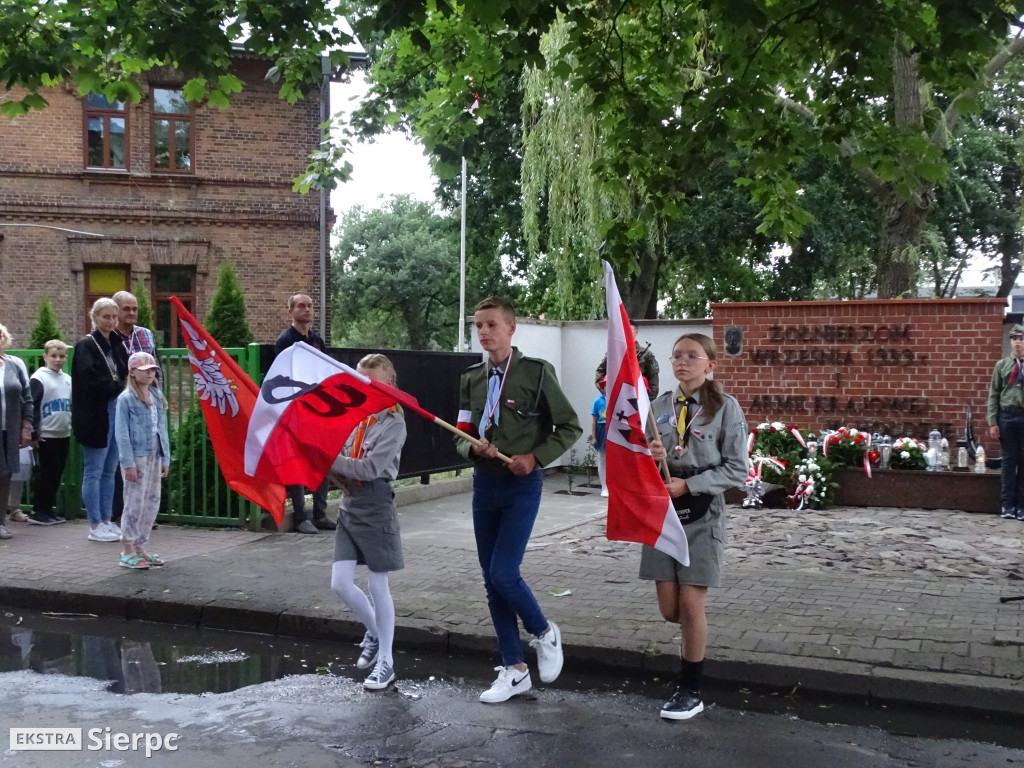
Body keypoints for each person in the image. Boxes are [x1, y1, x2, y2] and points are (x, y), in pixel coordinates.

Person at [456, 296, 582, 703]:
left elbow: (570, 426)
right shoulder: (471, 379)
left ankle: (544, 632)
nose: (483, 332)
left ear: (511, 328)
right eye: (478, 325)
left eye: (491, 324)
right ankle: (514, 669)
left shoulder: (536, 374)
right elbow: (461, 431)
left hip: (521, 486)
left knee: (504, 573)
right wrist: (472, 450)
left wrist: (535, 457)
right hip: (484, 484)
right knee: (491, 582)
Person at [646, 333, 748, 721]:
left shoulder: (725, 408)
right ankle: (693, 636)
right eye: (677, 356)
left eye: (692, 355)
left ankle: (690, 689)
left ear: (710, 365)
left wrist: (688, 484)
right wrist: (651, 456)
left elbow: (737, 468)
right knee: (670, 610)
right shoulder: (657, 407)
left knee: (691, 603)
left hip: (702, 509)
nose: (682, 362)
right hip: (662, 512)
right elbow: (636, 459)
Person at [327, 354, 407, 691]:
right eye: (360, 381)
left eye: (372, 381)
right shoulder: (358, 416)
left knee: (378, 585)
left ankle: (386, 662)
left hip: (375, 503)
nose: (365, 387)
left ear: (388, 384)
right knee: (340, 583)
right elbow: (346, 457)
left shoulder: (393, 422)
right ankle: (374, 632)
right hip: (350, 503)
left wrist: (331, 458)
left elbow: (371, 468)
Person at [274, 293, 333, 535]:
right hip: (295, 409)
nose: (306, 309)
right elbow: (284, 374)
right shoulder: (286, 340)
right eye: (301, 306)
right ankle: (300, 517)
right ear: (290, 311)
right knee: (298, 461)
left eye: (309, 306)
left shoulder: (317, 340)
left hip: (318, 409)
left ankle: (320, 514)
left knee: (322, 459)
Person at [72, 298, 129, 543]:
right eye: (106, 316)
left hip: (115, 410)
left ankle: (107, 520)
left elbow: (126, 370)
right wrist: (117, 386)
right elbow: (90, 379)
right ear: (94, 318)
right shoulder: (86, 345)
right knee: (94, 470)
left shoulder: (116, 344)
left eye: (114, 317)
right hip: (96, 415)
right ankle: (95, 523)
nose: (111, 321)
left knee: (110, 470)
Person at [114, 352, 170, 569]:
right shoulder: (125, 399)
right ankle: (127, 549)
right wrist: (128, 463)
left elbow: (161, 428)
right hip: (137, 458)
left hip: (155, 455)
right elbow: (122, 433)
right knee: (134, 504)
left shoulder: (156, 395)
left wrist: (165, 457)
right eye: (145, 369)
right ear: (132, 371)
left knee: (151, 503)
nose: (150, 373)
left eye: (152, 369)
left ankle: (140, 547)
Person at [111, 290, 159, 527]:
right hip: (123, 400)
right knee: (126, 456)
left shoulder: (146, 334)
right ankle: (121, 514)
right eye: (126, 309)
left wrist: (158, 397)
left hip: (147, 400)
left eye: (134, 309)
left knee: (149, 458)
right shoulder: (109, 336)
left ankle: (144, 514)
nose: (131, 313)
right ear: (116, 311)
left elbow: (156, 367)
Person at [28, 340, 72, 525]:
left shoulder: (68, 379)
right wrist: (34, 433)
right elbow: (33, 406)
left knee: (56, 473)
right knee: (45, 474)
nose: (57, 360)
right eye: (53, 356)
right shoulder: (39, 378)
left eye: (61, 356)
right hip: (45, 434)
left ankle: (49, 509)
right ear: (45, 356)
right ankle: (39, 510)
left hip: (63, 432)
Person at [986, 323, 1024, 521]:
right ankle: (1007, 504)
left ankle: (1021, 505)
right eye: (1014, 338)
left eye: (1021, 338)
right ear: (1010, 342)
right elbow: (993, 394)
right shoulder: (1002, 365)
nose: (1018, 342)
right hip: (1007, 417)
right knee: (1009, 462)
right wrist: (992, 421)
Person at [0, 323, 33, 541]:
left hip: (9, 429)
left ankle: (0, 522)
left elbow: (27, 397)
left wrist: (27, 427)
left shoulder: (14, 363)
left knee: (5, 474)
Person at [595, 321, 659, 399]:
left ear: (636, 331)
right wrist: (607, 393)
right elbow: (600, 371)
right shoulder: (613, 352)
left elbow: (653, 378)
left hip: (639, 399)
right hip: (617, 399)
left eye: (629, 329)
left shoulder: (646, 354)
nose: (626, 332)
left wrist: (646, 400)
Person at [588, 377, 608, 497]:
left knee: (615, 461)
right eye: (606, 384)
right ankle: (604, 487)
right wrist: (594, 437)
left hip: (615, 430)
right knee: (602, 459)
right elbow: (594, 420)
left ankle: (614, 486)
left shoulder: (619, 400)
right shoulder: (598, 401)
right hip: (602, 430)